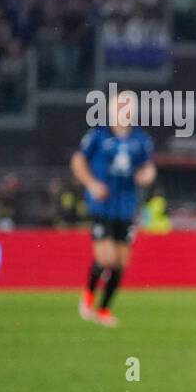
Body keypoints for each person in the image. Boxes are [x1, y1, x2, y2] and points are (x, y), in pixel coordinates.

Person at [71, 91, 155, 327]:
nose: (124, 111)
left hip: (126, 207)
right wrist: (92, 184)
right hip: (101, 204)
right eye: (120, 106)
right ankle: (87, 296)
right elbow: (78, 162)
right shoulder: (98, 135)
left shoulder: (141, 140)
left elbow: (148, 169)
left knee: (121, 262)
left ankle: (104, 309)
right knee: (106, 258)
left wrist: (146, 176)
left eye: (128, 106)